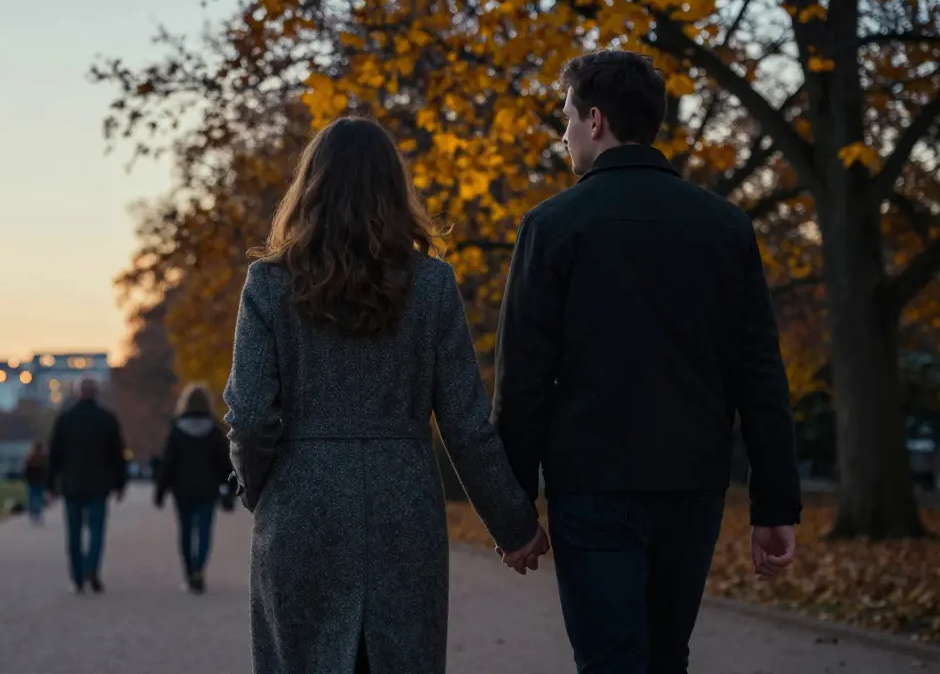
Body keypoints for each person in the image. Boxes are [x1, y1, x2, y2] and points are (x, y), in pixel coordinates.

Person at [492, 50, 802, 674]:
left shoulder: (552, 226)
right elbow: (760, 374)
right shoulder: (726, 227)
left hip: (591, 486)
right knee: (667, 657)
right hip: (692, 485)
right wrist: (774, 505)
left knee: (610, 660)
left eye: (568, 118)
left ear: (597, 120)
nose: (564, 133)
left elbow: (523, 379)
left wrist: (513, 511)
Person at [223, 116, 546, 674]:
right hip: (404, 507)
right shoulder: (433, 285)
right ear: (396, 191)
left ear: (310, 189)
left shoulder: (270, 286)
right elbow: (466, 423)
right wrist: (514, 525)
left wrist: (261, 492)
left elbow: (250, 418)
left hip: (302, 506)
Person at [48, 378, 128, 594]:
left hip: (72, 484)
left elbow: (54, 454)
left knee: (73, 534)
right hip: (99, 485)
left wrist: (51, 485)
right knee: (96, 532)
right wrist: (120, 484)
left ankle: (77, 575)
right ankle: (92, 567)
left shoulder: (65, 419)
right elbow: (118, 455)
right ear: (96, 393)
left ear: (78, 393)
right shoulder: (107, 419)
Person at [154, 383, 233, 594]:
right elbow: (226, 464)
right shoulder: (215, 430)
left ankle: (189, 572)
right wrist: (230, 489)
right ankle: (199, 568)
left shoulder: (177, 430)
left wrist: (160, 490)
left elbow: (168, 462)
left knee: (186, 532)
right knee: (205, 530)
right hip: (208, 488)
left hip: (183, 489)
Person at [23, 441, 50, 525]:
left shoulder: (30, 458)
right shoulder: (44, 458)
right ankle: (38, 512)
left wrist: (26, 480)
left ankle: (33, 512)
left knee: (32, 497)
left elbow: (26, 470)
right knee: (39, 497)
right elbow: (47, 470)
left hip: (32, 481)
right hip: (40, 481)